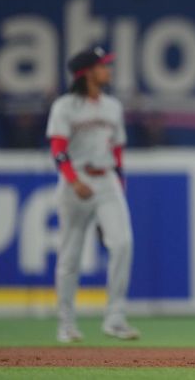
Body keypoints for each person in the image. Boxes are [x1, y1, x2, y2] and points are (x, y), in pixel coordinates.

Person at [46, 47, 140, 342]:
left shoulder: (113, 106)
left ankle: (114, 318)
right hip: (77, 182)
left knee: (123, 243)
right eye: (102, 66)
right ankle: (66, 324)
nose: (108, 70)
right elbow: (58, 151)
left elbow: (118, 151)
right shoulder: (65, 106)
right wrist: (74, 181)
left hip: (106, 180)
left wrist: (118, 190)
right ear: (86, 73)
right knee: (70, 255)